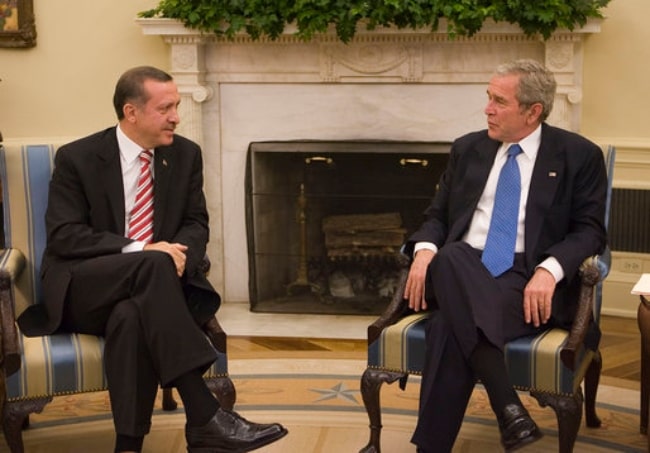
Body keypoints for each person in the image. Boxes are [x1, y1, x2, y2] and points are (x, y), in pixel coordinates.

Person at [16, 66, 288, 453]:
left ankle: (129, 446)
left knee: (129, 316)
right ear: (131, 112)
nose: (176, 116)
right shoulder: (78, 158)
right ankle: (203, 410)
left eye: (176, 106)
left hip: (150, 290)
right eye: (166, 108)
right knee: (152, 263)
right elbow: (64, 235)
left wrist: (176, 256)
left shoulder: (185, 155)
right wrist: (143, 250)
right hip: (83, 289)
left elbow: (195, 224)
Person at [403, 59, 607, 452]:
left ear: (533, 111)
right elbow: (436, 216)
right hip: (460, 266)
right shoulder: (468, 149)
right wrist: (425, 250)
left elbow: (590, 230)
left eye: (499, 101)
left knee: (449, 324)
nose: (487, 109)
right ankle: (508, 406)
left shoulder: (578, 155)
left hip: (524, 278)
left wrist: (550, 270)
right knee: (451, 256)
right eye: (488, 98)